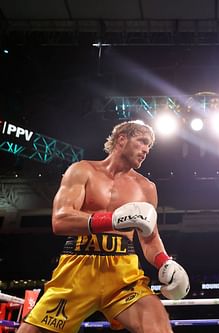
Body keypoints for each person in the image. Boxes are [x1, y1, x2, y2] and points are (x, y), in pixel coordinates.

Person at [18, 120, 190, 333]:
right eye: (142, 142)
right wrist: (112, 220)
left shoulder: (147, 188)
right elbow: (60, 220)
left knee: (157, 323)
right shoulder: (82, 170)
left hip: (123, 272)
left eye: (150, 146)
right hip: (77, 267)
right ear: (122, 139)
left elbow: (149, 238)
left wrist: (165, 262)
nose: (146, 150)